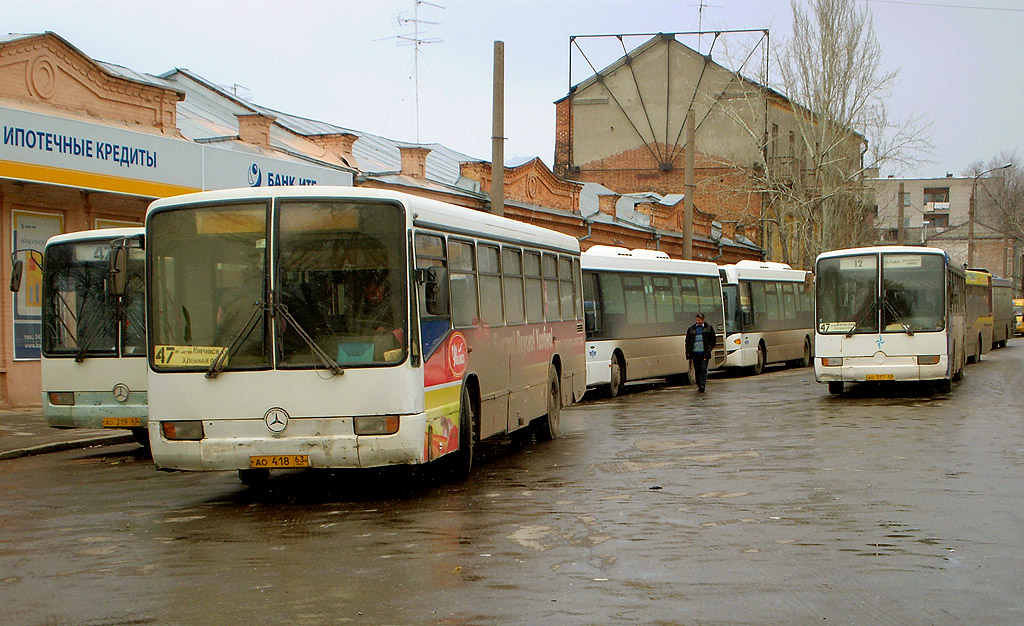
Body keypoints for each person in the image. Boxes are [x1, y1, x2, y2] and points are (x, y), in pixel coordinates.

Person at [685, 312, 717, 393]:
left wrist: (709, 349)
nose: (698, 322)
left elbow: (713, 340)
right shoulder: (691, 328)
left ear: (703, 320)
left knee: (703, 369)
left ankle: (702, 385)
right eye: (697, 320)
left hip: (704, 353)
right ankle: (699, 384)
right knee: (697, 369)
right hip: (695, 353)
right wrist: (688, 352)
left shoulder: (708, 328)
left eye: (699, 320)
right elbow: (688, 341)